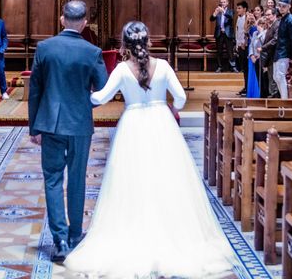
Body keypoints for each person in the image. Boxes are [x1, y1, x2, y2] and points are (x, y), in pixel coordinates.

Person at [64, 21, 238, 278]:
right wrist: (169, 110)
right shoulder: (164, 66)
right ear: (148, 42)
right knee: (166, 179)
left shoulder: (123, 69)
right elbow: (180, 97)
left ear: (124, 44)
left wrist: (80, 95)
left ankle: (135, 234)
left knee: (132, 181)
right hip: (161, 123)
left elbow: (100, 98)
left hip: (132, 125)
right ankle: (170, 235)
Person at [28, 0, 108, 263]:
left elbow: (35, 90)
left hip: (49, 123)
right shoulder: (92, 51)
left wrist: (34, 127)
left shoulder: (44, 47)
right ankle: (75, 235)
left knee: (52, 180)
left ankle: (60, 239)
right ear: (85, 23)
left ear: (61, 19)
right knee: (77, 179)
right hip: (79, 124)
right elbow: (103, 90)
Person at [273, 0, 292, 99]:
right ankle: (283, 100)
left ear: (289, 6)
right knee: (276, 77)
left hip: (285, 53)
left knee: (280, 76)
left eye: (284, 6)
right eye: (279, 6)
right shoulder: (283, 18)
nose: (281, 8)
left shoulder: (291, 20)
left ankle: (285, 102)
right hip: (279, 52)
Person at [209, 0, 234, 73]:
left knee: (230, 51)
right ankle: (220, 67)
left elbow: (231, 17)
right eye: (221, 2)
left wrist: (223, 11)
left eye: (224, 2)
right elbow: (211, 19)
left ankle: (232, 66)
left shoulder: (230, 11)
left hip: (228, 33)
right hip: (219, 33)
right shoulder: (218, 12)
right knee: (219, 52)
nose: (222, 3)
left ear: (227, 3)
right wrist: (214, 13)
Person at [259, 7, 279, 98]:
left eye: (269, 15)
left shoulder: (277, 24)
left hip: (275, 55)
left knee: (273, 77)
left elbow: (275, 40)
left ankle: (274, 96)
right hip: (270, 56)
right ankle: (272, 95)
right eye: (266, 15)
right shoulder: (270, 25)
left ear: (274, 15)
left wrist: (263, 48)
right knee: (271, 77)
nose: (267, 17)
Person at [247, 18, 267, 99]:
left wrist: (261, 32)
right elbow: (251, 45)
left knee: (263, 79)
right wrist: (251, 55)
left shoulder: (266, 33)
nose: (260, 26)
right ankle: (260, 96)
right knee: (258, 79)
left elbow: (264, 43)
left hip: (262, 58)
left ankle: (264, 96)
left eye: (262, 24)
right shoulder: (255, 33)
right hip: (254, 58)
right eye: (259, 24)